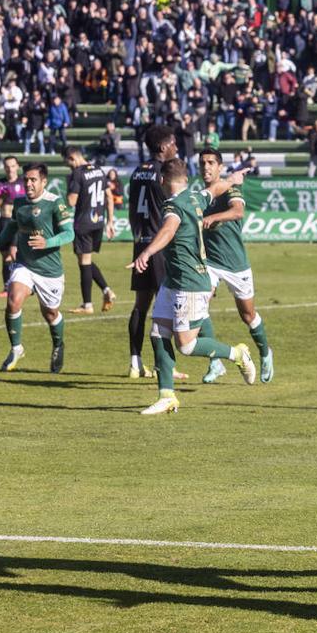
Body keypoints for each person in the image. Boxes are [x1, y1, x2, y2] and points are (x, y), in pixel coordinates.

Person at [131, 159, 255, 415]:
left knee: (186, 345)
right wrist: (233, 179)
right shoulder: (195, 197)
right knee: (157, 333)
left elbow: (168, 230)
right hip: (173, 280)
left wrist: (147, 252)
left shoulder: (174, 206)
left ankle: (237, 354)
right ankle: (167, 396)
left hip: (189, 282)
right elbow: (217, 189)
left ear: (162, 181)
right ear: (185, 179)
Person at [0, 163, 72, 373]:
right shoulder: (20, 202)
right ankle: (16, 348)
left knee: (50, 313)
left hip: (49, 271)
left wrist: (47, 243)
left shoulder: (54, 203)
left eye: (33, 180)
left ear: (43, 182)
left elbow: (69, 233)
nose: (28, 183)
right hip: (25, 264)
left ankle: (58, 345)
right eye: (26, 179)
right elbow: (12, 227)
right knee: (13, 300)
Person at [196, 148, 274, 385]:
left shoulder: (231, 188)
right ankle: (215, 363)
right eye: (202, 163)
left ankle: (264, 352)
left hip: (235, 263)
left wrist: (214, 218)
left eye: (211, 162)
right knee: (198, 308)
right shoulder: (200, 193)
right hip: (209, 262)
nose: (206, 167)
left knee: (248, 315)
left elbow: (238, 211)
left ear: (220, 167)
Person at [126, 125, 179, 380]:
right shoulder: (163, 173)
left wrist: (138, 237)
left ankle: (135, 362)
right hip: (159, 246)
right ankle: (165, 365)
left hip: (140, 243)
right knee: (166, 307)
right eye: (173, 144)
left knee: (141, 305)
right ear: (162, 148)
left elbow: (131, 208)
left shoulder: (137, 171)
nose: (176, 148)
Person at [64, 146, 116, 315]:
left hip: (83, 222)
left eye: (68, 163)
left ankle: (87, 305)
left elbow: (71, 201)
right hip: (98, 222)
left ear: (73, 158)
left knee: (84, 262)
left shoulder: (78, 174)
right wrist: (110, 222)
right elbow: (109, 196)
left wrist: (68, 188)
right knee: (85, 260)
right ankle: (107, 290)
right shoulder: (99, 170)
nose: (69, 167)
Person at [0, 156, 25, 298]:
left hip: (18, 223)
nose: (10, 169)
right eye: (7, 166)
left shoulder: (23, 183)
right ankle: (7, 287)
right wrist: (1, 198)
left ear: (17, 166)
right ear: (4, 168)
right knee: (5, 257)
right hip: (4, 222)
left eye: (12, 166)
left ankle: (21, 284)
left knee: (13, 253)